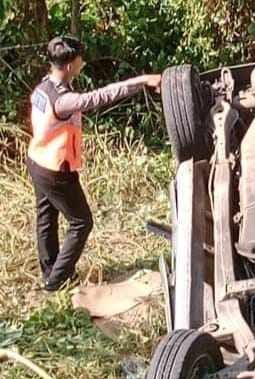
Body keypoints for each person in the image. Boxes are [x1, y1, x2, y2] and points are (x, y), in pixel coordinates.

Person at [27, 36, 162, 291]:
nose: (83, 63)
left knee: (46, 218)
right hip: (56, 168)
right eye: (79, 60)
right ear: (68, 65)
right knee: (81, 222)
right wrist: (142, 81)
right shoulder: (63, 100)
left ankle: (50, 271)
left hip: (37, 160)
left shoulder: (44, 87)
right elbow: (102, 96)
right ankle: (56, 280)